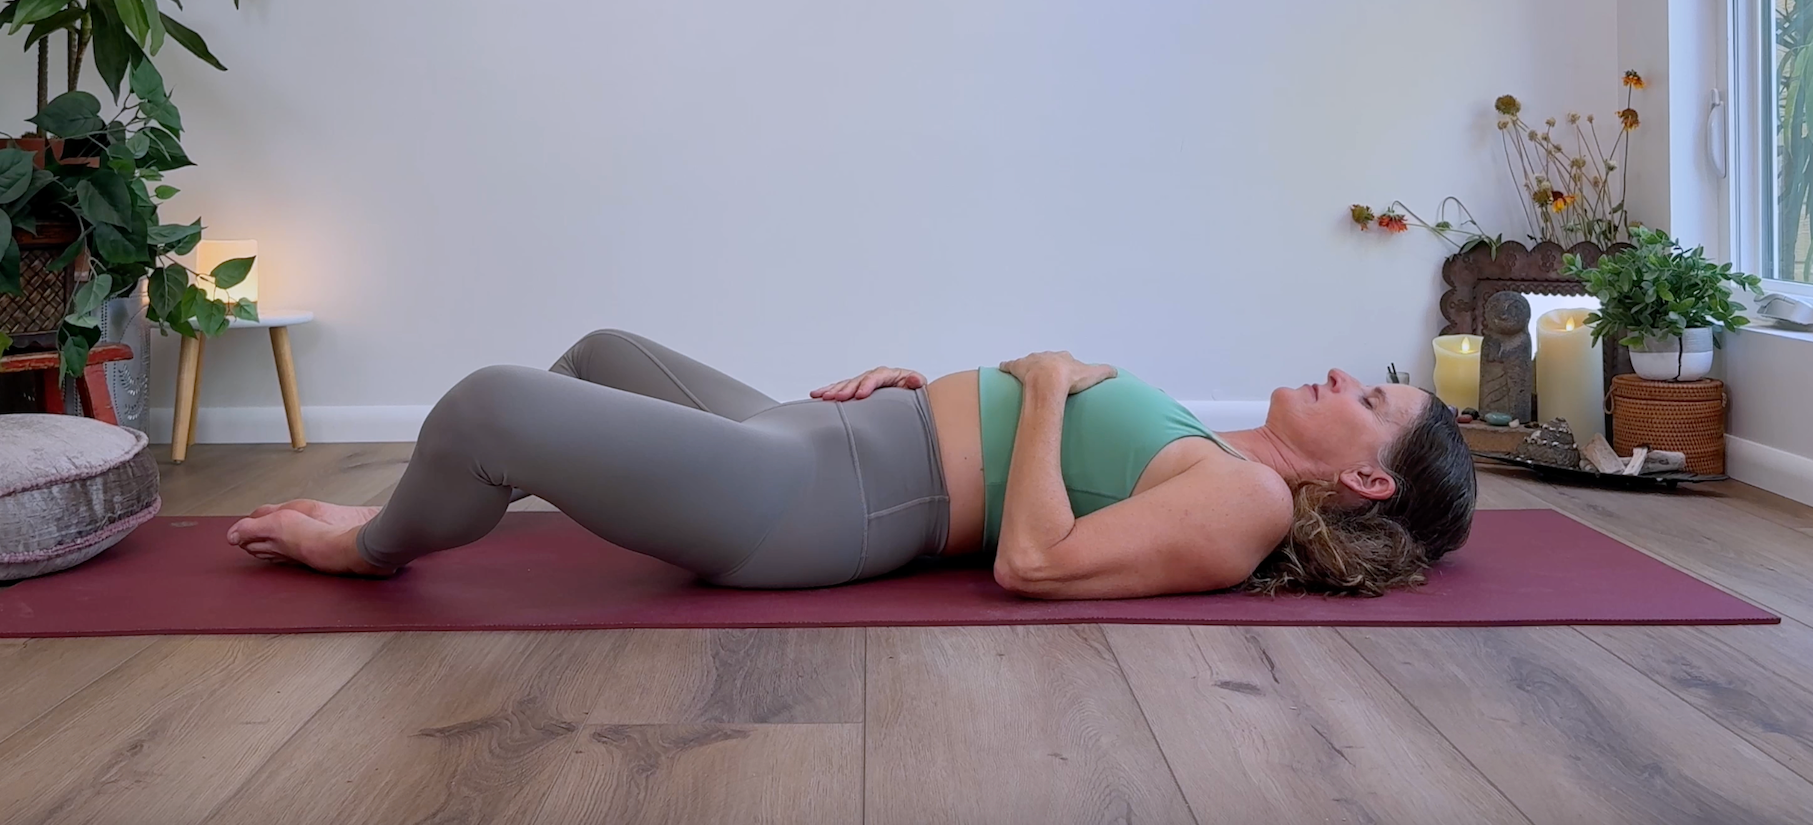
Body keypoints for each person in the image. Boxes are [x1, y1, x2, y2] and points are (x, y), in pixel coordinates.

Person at [228, 328, 1476, 598]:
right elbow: (1028, 458)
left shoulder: (1250, 500)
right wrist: (933, 385)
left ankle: (375, 542)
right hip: (814, 436)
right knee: (601, 349)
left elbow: (1038, 561)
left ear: (1369, 478)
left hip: (817, 505)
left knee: (489, 401)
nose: (1336, 379)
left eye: (1368, 401)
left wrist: (1036, 385)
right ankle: (489, 496)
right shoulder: (1218, 452)